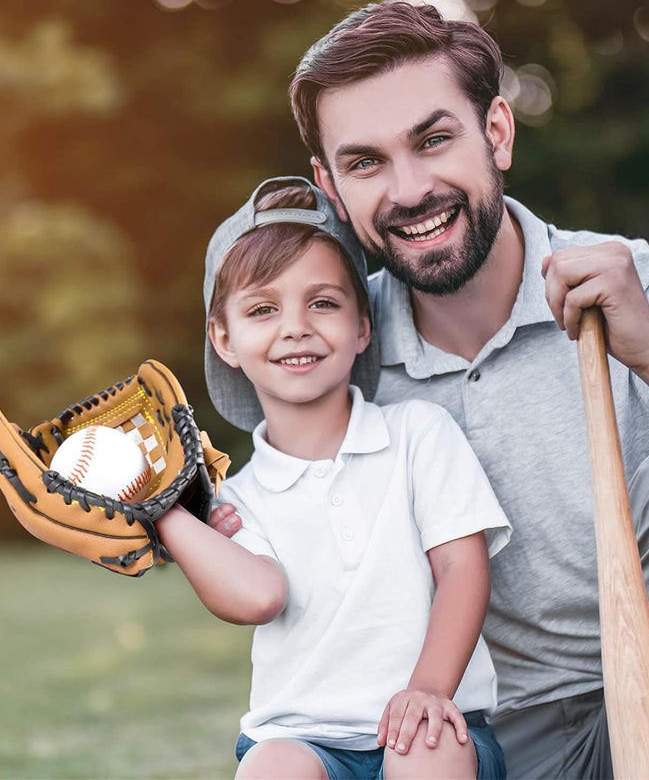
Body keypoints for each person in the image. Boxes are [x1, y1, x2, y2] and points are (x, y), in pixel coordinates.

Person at [210, 2, 649, 780]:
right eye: (365, 163)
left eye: (433, 139)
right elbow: (258, 484)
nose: (410, 189)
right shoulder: (334, 346)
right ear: (330, 184)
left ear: (497, 132)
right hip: (478, 741)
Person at [160, 176, 512, 780]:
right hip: (304, 739)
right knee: (272, 770)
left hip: (430, 723)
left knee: (425, 754)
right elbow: (258, 597)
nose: (295, 327)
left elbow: (461, 568)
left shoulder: (418, 435)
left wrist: (428, 689)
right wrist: (165, 513)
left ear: (362, 326)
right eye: (263, 309)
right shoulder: (235, 498)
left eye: (322, 302)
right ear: (225, 339)